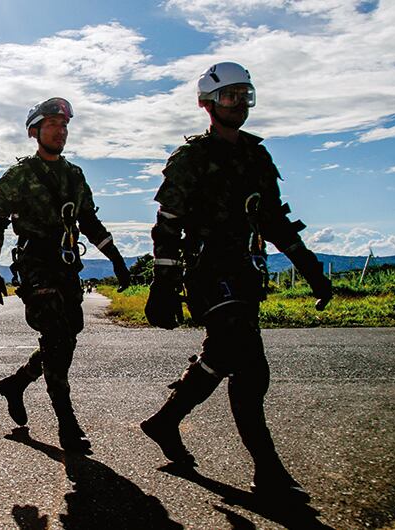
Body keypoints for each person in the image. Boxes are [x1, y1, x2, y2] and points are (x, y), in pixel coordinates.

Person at [140, 62, 332, 503]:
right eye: (229, 96)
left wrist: (311, 268)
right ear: (208, 104)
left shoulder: (256, 156)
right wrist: (163, 286)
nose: (238, 104)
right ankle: (268, 471)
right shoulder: (190, 159)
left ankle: (165, 422)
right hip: (207, 272)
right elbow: (167, 224)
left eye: (244, 95)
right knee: (249, 363)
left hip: (246, 270)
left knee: (227, 356)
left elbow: (274, 221)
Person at [0, 97, 131, 454]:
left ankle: (18, 383)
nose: (60, 131)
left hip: (67, 266)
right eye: (53, 125)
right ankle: (66, 422)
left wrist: (116, 258)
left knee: (68, 336)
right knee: (56, 336)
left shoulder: (75, 175)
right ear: (35, 131)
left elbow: (89, 221)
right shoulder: (19, 176)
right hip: (36, 264)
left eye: (64, 126)